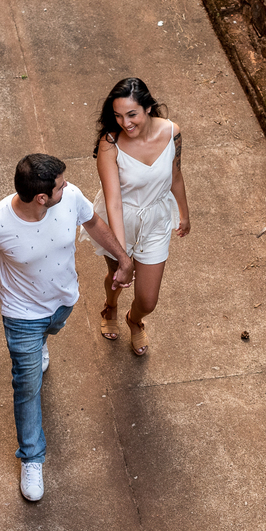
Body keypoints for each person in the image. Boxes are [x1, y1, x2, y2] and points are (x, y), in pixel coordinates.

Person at [0, 154, 132, 502]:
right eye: (60, 184)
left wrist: (123, 259)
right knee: (27, 387)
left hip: (62, 301)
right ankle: (32, 457)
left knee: (51, 330)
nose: (67, 186)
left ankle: (41, 343)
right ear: (41, 197)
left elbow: (95, 223)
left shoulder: (69, 199)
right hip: (22, 314)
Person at [82, 78, 190, 356]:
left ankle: (134, 318)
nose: (125, 123)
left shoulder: (172, 132)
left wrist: (184, 213)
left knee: (148, 299)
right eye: (118, 116)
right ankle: (111, 304)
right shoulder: (109, 144)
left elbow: (175, 174)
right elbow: (113, 202)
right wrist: (123, 256)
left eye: (132, 114)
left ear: (149, 108)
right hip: (119, 221)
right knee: (116, 276)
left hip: (156, 220)